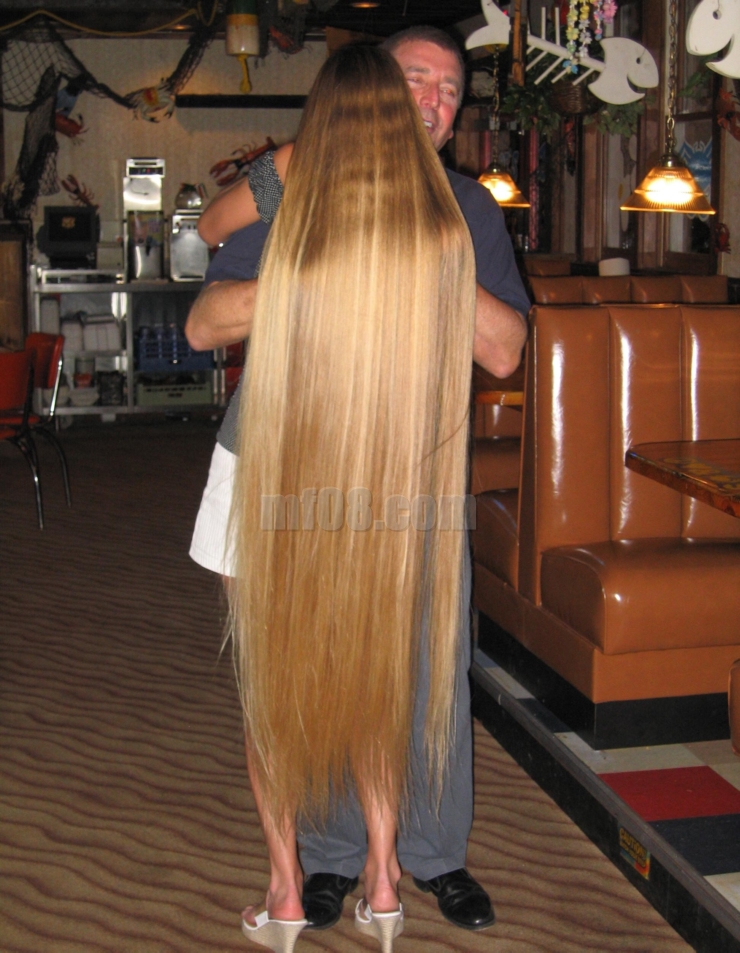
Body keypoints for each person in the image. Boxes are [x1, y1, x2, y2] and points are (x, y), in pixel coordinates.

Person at [186, 26, 530, 937]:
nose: (431, 100)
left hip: (408, 467)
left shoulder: (464, 208)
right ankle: (335, 861)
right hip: (286, 454)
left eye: (450, 90)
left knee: (423, 665)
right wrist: (323, 266)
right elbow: (205, 311)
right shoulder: (295, 186)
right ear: (372, 93)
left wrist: (426, 259)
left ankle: (430, 856)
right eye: (413, 78)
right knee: (301, 661)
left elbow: (504, 349)